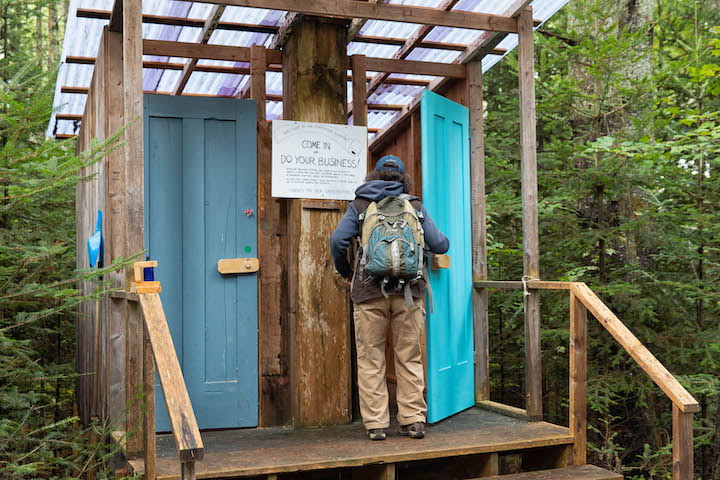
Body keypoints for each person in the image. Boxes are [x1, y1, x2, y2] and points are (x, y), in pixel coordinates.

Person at [330, 154, 449, 441]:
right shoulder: (414, 205)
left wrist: (347, 271)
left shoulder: (360, 203)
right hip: (410, 292)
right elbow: (441, 244)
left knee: (371, 357)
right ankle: (413, 420)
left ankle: (376, 424)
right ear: (403, 177)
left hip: (368, 291)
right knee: (409, 356)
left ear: (375, 175)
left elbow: (337, 240)